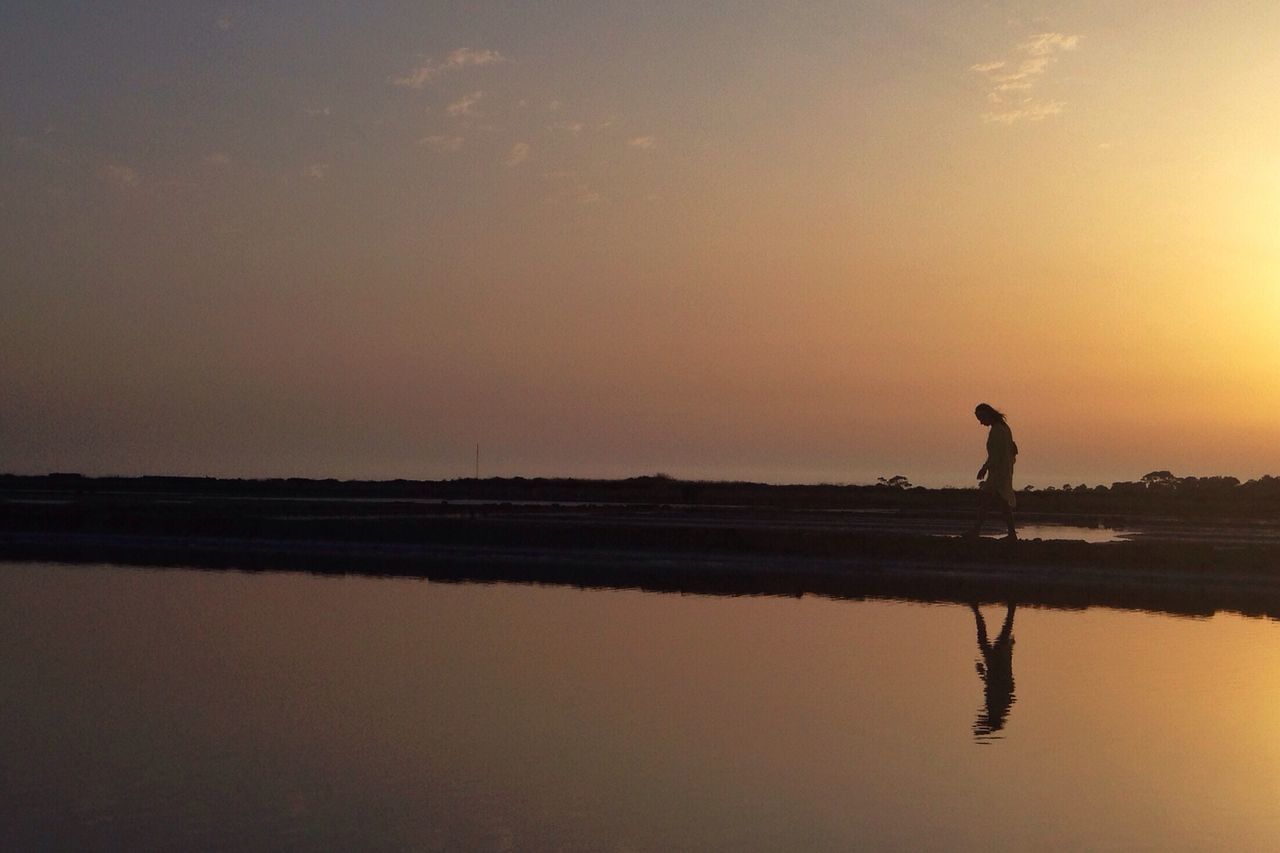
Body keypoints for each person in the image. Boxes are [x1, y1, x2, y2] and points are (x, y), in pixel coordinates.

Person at [970, 403, 1017, 540]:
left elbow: (996, 454)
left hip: (998, 473)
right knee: (1002, 504)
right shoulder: (1004, 428)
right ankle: (1012, 533)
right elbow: (1012, 449)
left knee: (986, 502)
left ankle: (976, 531)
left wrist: (984, 468)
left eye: (981, 418)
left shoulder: (998, 430)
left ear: (988, 414)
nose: (981, 422)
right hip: (1001, 471)